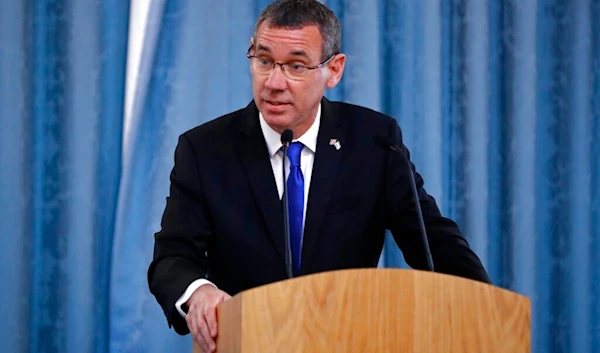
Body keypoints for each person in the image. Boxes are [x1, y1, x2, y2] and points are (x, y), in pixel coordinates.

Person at [148, 0, 491, 352]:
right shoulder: (205, 149)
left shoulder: (374, 142)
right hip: (247, 342)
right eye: (264, 61)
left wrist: (485, 310)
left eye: (296, 66)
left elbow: (434, 241)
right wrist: (198, 291)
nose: (274, 82)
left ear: (334, 70)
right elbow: (172, 257)